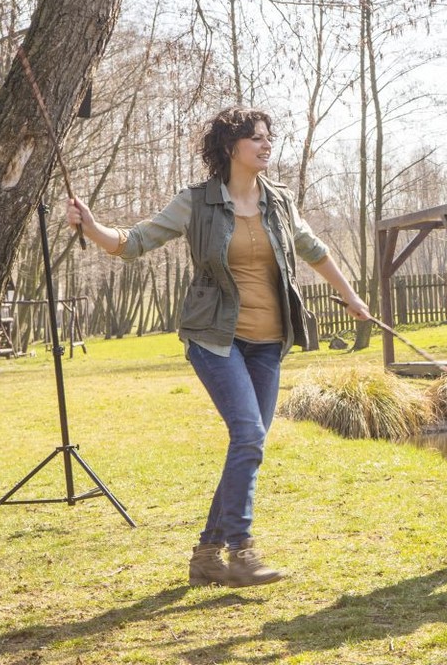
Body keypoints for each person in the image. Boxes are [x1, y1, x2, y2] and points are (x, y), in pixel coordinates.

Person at [66, 107, 371, 588]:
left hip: (269, 342)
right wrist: (92, 227)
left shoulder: (280, 201)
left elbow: (315, 250)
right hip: (214, 338)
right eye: (256, 138)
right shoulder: (196, 202)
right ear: (231, 147)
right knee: (248, 435)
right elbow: (136, 241)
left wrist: (351, 296)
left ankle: (207, 554)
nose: (267, 145)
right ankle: (241, 550)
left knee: (247, 445)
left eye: (269, 137)